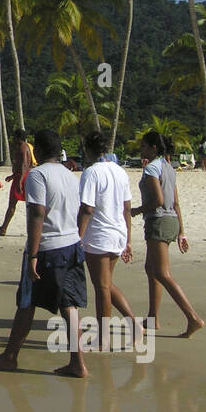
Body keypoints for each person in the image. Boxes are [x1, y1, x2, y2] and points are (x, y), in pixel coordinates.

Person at [0, 128, 89, 377]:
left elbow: (37, 214)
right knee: (69, 305)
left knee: (27, 302)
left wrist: (32, 255)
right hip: (72, 245)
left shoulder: (37, 175)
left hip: (47, 249)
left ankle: (10, 357)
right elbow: (81, 210)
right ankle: (78, 363)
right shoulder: (69, 175)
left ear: (38, 151)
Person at [131, 130, 203, 337]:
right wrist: (182, 231)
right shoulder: (168, 168)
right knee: (151, 268)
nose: (141, 149)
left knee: (162, 273)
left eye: (144, 146)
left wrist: (136, 211)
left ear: (153, 148)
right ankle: (152, 318)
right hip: (171, 220)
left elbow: (158, 201)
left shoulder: (152, 169)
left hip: (158, 221)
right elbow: (176, 202)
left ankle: (193, 318)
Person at [77, 131, 137, 351]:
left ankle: (103, 337)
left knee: (101, 286)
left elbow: (87, 208)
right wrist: (128, 239)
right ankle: (132, 323)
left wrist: (78, 236)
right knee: (106, 284)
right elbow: (127, 207)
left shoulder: (91, 173)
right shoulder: (119, 171)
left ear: (89, 149)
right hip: (117, 232)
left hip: (100, 235)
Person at [0, 129, 34, 237]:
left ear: (18, 137)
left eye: (14, 137)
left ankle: (3, 228)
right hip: (21, 176)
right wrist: (13, 176)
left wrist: (20, 181)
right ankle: (3, 228)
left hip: (23, 177)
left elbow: (24, 165)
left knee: (14, 203)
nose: (12, 139)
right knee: (21, 203)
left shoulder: (23, 148)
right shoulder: (24, 147)